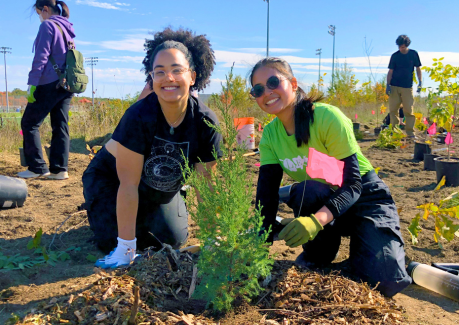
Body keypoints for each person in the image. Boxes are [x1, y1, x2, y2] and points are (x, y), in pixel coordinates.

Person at [252, 57, 411, 297]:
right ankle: (318, 255)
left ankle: (364, 251)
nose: (267, 92)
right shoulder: (270, 136)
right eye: (258, 89)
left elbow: (353, 184)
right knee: (311, 190)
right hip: (319, 197)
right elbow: (266, 193)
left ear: (293, 84)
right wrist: (258, 249)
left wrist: (315, 221)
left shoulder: (326, 117)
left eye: (274, 82)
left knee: (385, 281)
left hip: (363, 197)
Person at [82, 27, 222, 269]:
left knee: (172, 240)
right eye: (160, 72)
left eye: (177, 70)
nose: (169, 78)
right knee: (111, 240)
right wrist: (126, 248)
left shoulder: (205, 121)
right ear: (152, 78)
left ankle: (170, 204)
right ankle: (119, 226)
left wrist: (212, 240)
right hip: (113, 181)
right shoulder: (138, 116)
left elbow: (207, 186)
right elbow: (128, 184)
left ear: (192, 76)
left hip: (158, 186)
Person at [18, 0, 74, 179]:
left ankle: (37, 167)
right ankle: (59, 169)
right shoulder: (67, 28)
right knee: (60, 125)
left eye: (38, 13)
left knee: (29, 123)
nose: (39, 17)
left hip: (49, 82)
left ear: (45, 9)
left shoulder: (47, 26)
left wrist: (32, 83)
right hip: (67, 83)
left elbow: (41, 57)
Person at [386, 35, 422, 139]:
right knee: (393, 110)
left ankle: (410, 133)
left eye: (402, 46)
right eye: (399, 46)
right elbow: (390, 71)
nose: (400, 48)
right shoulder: (395, 56)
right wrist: (387, 85)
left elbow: (418, 69)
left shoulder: (413, 54)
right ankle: (394, 131)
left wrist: (420, 82)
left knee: (408, 110)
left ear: (406, 45)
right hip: (394, 86)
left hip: (407, 86)